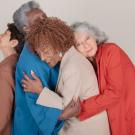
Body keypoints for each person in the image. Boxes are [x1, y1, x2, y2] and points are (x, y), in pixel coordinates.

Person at [22, 17, 110, 135]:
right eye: (39, 53)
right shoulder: (70, 57)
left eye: (46, 52)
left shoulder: (72, 66)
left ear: (58, 45)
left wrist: (40, 90)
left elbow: (67, 106)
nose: (42, 58)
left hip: (88, 129)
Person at [70, 22, 135, 135]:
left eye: (87, 38)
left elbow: (114, 92)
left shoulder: (111, 51)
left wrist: (80, 108)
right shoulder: (88, 63)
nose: (86, 46)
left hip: (128, 115)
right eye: (79, 44)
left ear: (95, 36)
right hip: (116, 117)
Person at [12, 1, 64, 135]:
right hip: (33, 128)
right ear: (26, 29)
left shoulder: (48, 44)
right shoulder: (31, 63)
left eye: (44, 17)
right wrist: (66, 115)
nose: (45, 21)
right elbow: (39, 107)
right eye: (38, 20)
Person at [0, 23, 24, 135]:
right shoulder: (18, 63)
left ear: (13, 42)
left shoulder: (4, 69)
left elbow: (2, 114)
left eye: (5, 34)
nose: (0, 36)